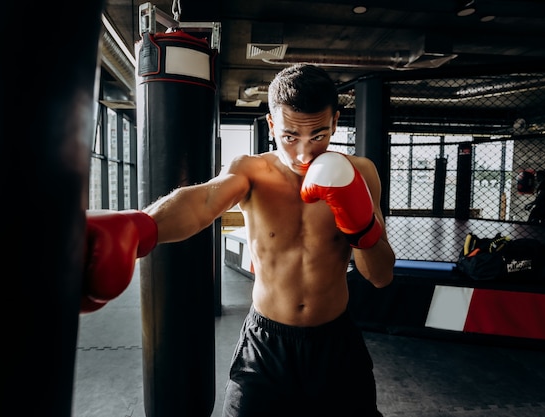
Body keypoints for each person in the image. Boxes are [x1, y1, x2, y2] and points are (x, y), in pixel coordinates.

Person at [84, 63, 395, 416]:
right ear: (272, 124)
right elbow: (202, 201)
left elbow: (381, 275)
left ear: (336, 121)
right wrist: (140, 227)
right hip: (266, 345)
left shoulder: (361, 173)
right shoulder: (251, 170)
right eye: (290, 137)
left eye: (319, 136)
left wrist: (360, 228)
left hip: (334, 344)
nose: (304, 154)